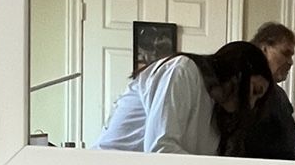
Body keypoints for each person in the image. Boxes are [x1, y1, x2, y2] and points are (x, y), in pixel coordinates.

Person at [92, 42, 271, 155]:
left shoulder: (215, 110)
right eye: (255, 90)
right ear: (238, 74)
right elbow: (160, 148)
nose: (251, 103)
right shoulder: (183, 71)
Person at [243, 22, 295, 161]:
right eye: (285, 53)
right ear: (264, 49)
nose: (291, 62)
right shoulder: (242, 89)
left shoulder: (280, 95)